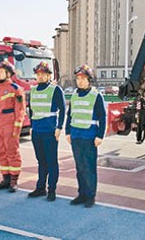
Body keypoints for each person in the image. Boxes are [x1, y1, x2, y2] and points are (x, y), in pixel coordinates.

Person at [66, 64, 106, 208]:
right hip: (76, 136)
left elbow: (103, 117)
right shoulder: (74, 95)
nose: (80, 81)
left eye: (83, 78)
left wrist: (100, 136)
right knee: (79, 167)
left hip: (90, 137)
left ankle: (91, 196)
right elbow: (69, 115)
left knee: (89, 168)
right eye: (78, 78)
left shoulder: (96, 96)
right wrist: (67, 132)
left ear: (89, 80)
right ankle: (81, 194)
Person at [27, 62, 65, 202]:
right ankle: (40, 188)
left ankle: (52, 190)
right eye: (38, 74)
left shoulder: (55, 90)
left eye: (43, 74)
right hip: (36, 131)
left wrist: (59, 127)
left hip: (50, 131)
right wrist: (31, 126)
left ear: (49, 75)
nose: (40, 76)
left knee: (51, 162)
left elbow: (63, 109)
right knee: (41, 161)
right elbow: (31, 110)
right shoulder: (33, 90)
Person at [0, 60, 25, 193]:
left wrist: (17, 127)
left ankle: (14, 181)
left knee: (12, 152)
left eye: (1, 72)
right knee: (0, 152)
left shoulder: (15, 89)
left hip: (9, 126)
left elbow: (20, 110)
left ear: (8, 74)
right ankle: (5, 178)